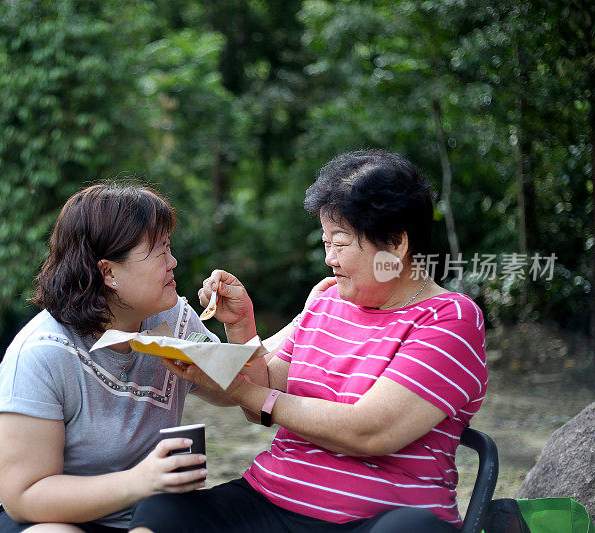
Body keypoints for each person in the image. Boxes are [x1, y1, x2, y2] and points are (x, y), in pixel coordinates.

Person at [130, 149, 488, 533]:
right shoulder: (327, 299)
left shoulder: (450, 318)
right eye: (325, 241)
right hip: (273, 500)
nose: (329, 258)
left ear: (396, 245)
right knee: (165, 512)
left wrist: (243, 391)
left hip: (374, 520)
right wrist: (240, 326)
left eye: (340, 242)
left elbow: (369, 432)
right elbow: (262, 402)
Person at [0, 182, 231, 533]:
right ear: (109, 273)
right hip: (39, 518)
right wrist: (141, 480)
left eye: (170, 248)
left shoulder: (173, 320)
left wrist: (241, 325)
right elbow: (23, 497)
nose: (173, 262)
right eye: (159, 251)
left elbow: (237, 393)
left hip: (136, 514)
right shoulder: (43, 354)